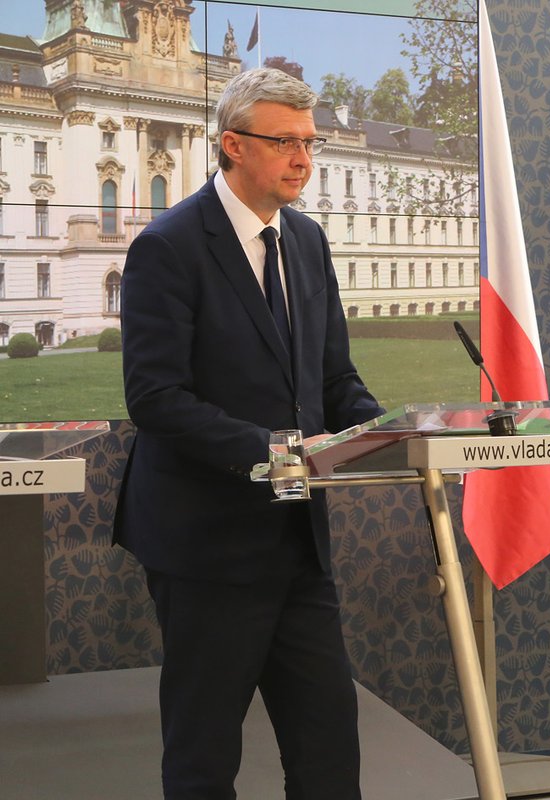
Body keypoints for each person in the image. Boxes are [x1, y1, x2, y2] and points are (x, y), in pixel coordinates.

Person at [114, 67, 384, 799]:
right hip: (207, 546)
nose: (305, 159)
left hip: (299, 546)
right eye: (286, 143)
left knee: (330, 749)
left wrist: (392, 432)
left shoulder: (307, 241)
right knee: (205, 759)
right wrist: (274, 453)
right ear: (232, 145)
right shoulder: (168, 246)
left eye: (311, 141)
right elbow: (156, 397)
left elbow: (334, 382)